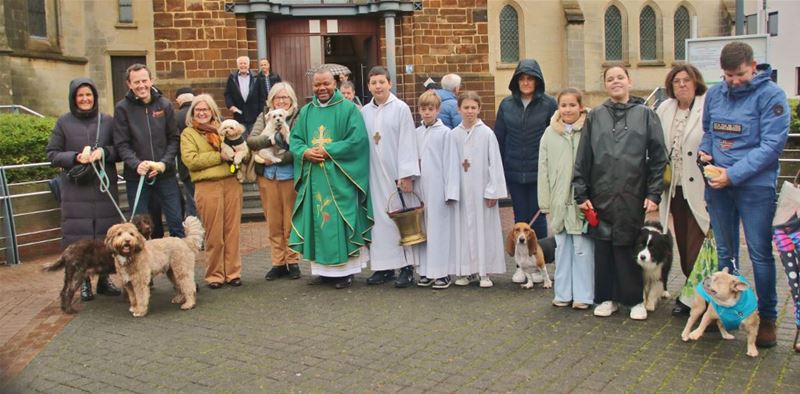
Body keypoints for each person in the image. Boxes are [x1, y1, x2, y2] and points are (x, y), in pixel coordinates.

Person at [698, 41, 790, 348]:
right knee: (725, 253)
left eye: (740, 74)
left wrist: (733, 175)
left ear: (753, 66)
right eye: (728, 76)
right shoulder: (715, 94)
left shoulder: (772, 96)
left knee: (760, 253)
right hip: (718, 186)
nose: (734, 81)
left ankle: (767, 318)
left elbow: (772, 146)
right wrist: (705, 153)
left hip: (755, 187)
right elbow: (709, 131)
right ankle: (723, 312)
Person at [573, 65, 667, 321]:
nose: (616, 82)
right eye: (610, 78)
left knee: (628, 248)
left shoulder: (646, 115)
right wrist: (581, 193)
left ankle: (634, 299)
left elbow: (658, 156)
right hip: (601, 192)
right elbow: (583, 157)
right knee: (603, 249)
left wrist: (654, 193)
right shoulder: (595, 116)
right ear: (605, 85)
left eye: (620, 77)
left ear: (629, 81)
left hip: (632, 192)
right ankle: (606, 298)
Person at [288, 68, 372, 289]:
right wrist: (305, 152)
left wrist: (328, 150)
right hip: (314, 177)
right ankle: (323, 271)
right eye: (317, 85)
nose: (321, 88)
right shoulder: (306, 111)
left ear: (334, 84)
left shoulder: (348, 109)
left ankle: (346, 272)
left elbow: (357, 141)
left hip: (340, 177)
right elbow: (295, 140)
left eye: (326, 83)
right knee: (318, 222)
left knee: (340, 221)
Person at [46, 78, 122, 301]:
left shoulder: (107, 121)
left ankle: (104, 279)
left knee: (105, 236)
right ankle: (84, 282)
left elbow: (120, 149)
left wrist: (105, 152)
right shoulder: (63, 123)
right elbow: (52, 154)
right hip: (76, 190)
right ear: (73, 98)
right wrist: (75, 157)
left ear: (94, 97)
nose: (85, 99)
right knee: (80, 238)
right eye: (80, 95)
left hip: (102, 188)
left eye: (88, 95)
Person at [494, 59, 557, 283]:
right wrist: (500, 169)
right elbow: (500, 138)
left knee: (537, 220)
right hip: (514, 170)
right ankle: (521, 266)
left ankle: (538, 264)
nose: (526, 82)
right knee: (519, 218)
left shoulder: (549, 104)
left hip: (539, 170)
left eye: (530, 79)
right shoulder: (506, 105)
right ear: (516, 81)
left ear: (537, 81)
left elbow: (554, 136)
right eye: (522, 79)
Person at [655, 64, 710, 316]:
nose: (682, 85)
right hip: (675, 188)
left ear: (696, 82)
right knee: (683, 242)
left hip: (699, 188)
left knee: (696, 247)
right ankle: (691, 295)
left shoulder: (706, 106)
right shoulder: (665, 108)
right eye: (676, 81)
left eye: (686, 80)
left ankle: (700, 299)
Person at [361, 66, 421, 288]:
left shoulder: (400, 108)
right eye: (373, 83)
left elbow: (408, 141)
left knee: (399, 219)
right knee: (378, 222)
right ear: (368, 86)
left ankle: (406, 268)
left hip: (395, 176)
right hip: (374, 174)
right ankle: (383, 267)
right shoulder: (364, 112)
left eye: (381, 82)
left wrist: (406, 175)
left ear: (390, 84)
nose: (378, 86)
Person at [113, 64, 185, 238]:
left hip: (165, 175)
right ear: (129, 84)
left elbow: (174, 139)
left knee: (176, 222)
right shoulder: (122, 108)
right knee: (141, 228)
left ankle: (178, 256)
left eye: (144, 81)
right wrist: (136, 164)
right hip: (137, 177)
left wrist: (163, 163)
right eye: (136, 82)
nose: (141, 86)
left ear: (151, 80)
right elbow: (122, 143)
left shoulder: (164, 105)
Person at [180, 94, 243, 289]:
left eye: (206, 109)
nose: (202, 113)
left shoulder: (224, 129)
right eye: (198, 110)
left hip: (231, 183)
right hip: (207, 186)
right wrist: (219, 157)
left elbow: (240, 147)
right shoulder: (188, 134)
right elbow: (191, 160)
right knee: (214, 233)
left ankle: (233, 273)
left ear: (213, 111)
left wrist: (241, 152)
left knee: (232, 231)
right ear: (192, 113)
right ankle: (214, 274)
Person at [538, 88, 593, 309]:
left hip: (581, 201)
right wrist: (545, 202)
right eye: (563, 105)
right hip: (559, 200)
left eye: (572, 105)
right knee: (562, 248)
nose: (568, 109)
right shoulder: (549, 133)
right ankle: (562, 293)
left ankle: (583, 295)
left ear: (580, 106)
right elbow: (543, 168)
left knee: (582, 249)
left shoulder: (589, 130)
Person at [451, 91, 508, 288]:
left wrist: (493, 191)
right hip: (462, 193)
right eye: (466, 107)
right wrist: (452, 191)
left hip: (482, 191)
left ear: (479, 109)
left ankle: (484, 272)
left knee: (484, 230)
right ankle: (466, 271)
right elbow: (450, 165)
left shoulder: (487, 134)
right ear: (459, 109)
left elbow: (495, 163)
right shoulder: (454, 135)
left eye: (473, 107)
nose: (469, 111)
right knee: (463, 231)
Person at [247, 82, 302, 281]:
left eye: (285, 97)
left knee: (291, 221)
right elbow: (252, 141)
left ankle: (293, 260)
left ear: (292, 99)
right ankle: (278, 262)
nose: (281, 100)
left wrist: (281, 157)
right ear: (271, 100)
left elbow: (299, 145)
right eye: (277, 97)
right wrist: (271, 142)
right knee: (273, 221)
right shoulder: (264, 116)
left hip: (289, 175)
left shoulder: (298, 116)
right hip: (268, 176)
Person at [414, 91, 460, 289]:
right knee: (423, 230)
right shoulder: (416, 133)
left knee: (439, 231)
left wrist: (451, 191)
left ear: (438, 110)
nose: (427, 113)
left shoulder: (445, 133)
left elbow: (451, 163)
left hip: (438, 188)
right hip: (420, 188)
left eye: (430, 109)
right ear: (419, 110)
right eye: (423, 109)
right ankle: (425, 271)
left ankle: (442, 272)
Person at [225, 55, 265, 135]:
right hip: (239, 115)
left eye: (245, 63)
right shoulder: (232, 78)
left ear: (248, 65)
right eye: (241, 63)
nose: (243, 65)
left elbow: (262, 96)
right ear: (237, 65)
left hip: (254, 115)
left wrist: (260, 113)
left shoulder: (256, 77)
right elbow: (227, 94)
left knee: (254, 137)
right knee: (241, 137)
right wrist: (230, 106)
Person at [175, 86, 197, 218]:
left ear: (178, 101)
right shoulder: (207, 113)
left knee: (192, 201)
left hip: (185, 165)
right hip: (208, 166)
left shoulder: (174, 117)